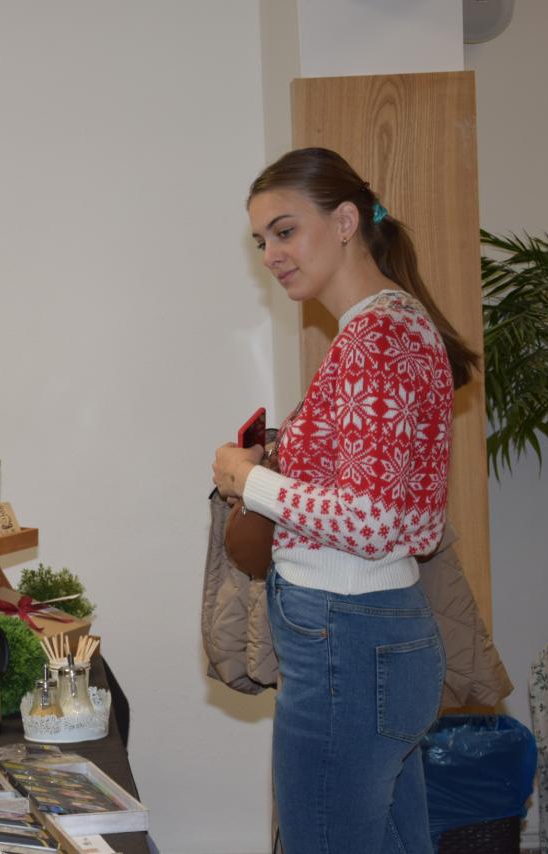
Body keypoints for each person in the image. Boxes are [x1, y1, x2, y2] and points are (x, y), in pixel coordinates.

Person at [211, 147, 479, 853]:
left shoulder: (375, 337)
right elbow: (407, 520)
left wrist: (245, 479)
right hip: (369, 636)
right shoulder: (391, 325)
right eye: (261, 240)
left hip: (347, 640)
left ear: (346, 222)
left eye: (285, 230)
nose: (271, 254)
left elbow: (371, 520)